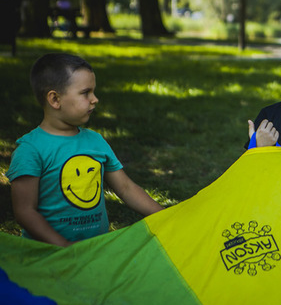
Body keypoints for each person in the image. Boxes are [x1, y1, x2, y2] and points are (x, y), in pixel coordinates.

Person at [6, 53, 164, 247]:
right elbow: (25, 212)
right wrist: (64, 248)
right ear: (55, 99)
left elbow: (126, 188)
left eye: (94, 92)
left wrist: (166, 216)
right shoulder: (30, 150)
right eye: (85, 93)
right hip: (47, 257)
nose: (95, 99)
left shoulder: (95, 141)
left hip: (95, 252)